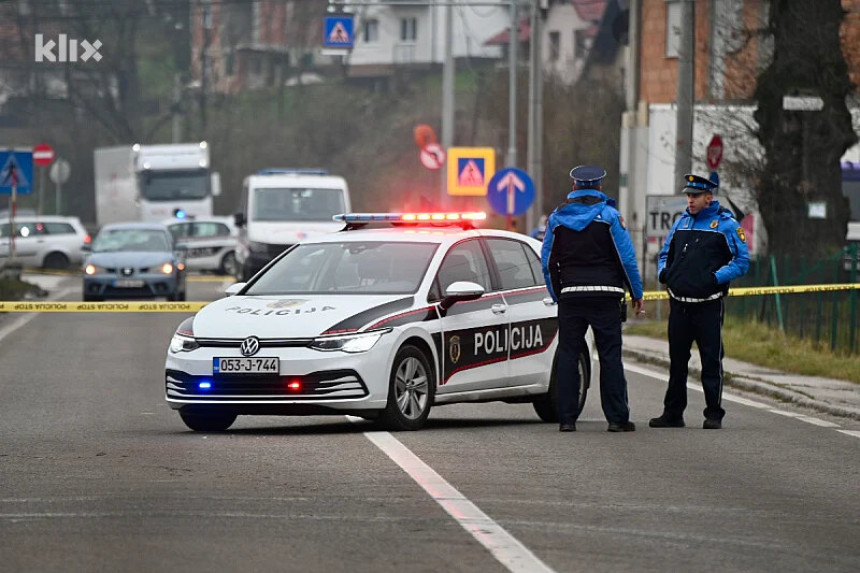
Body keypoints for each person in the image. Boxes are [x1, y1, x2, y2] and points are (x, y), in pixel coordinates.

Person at [541, 165, 644, 433]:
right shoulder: (610, 217)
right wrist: (637, 293)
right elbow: (627, 258)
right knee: (610, 356)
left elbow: (547, 262)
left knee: (568, 354)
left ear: (574, 187)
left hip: (571, 297)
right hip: (606, 296)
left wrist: (558, 294)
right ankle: (617, 419)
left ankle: (566, 419)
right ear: (599, 187)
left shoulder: (556, 219)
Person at [650, 174, 750, 430]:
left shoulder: (726, 225)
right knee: (677, 362)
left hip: (708, 305)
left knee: (711, 361)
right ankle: (673, 413)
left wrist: (715, 278)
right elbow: (665, 254)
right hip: (680, 304)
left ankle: (714, 413)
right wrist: (664, 273)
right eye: (688, 195)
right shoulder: (681, 223)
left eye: (695, 196)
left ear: (709, 197)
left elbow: (741, 262)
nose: (690, 200)